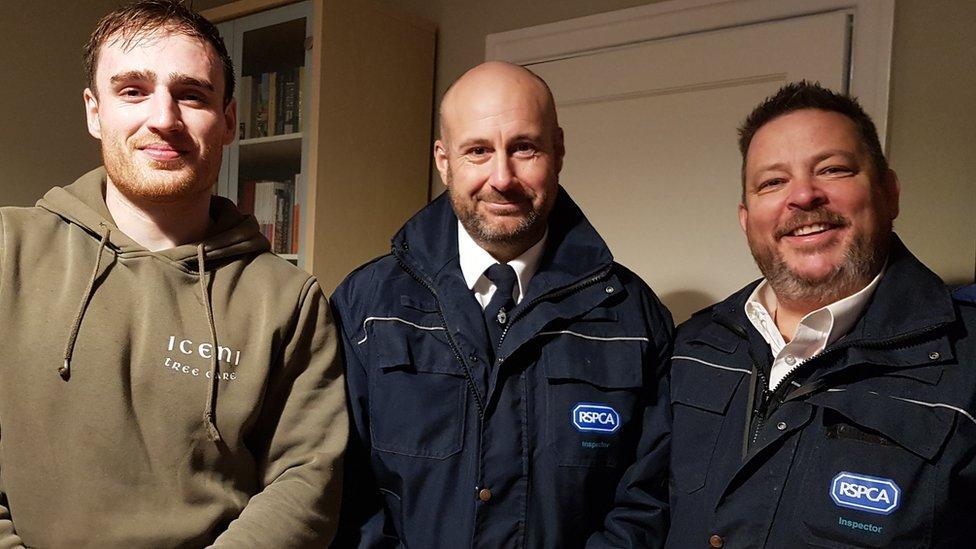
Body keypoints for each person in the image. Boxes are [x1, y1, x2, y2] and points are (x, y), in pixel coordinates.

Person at [0, 1, 346, 545]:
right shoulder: (7, 250)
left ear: (228, 120)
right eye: (133, 90)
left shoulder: (288, 299)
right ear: (94, 111)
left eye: (191, 94)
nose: (164, 117)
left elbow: (307, 481)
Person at [331, 61, 673, 548]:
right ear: (444, 160)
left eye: (524, 148)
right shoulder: (366, 305)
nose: (502, 177)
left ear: (558, 150)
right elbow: (342, 490)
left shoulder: (634, 318)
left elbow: (646, 502)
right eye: (477, 151)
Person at [667, 81, 976, 548]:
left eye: (832, 170)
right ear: (747, 219)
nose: (804, 196)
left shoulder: (967, 364)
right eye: (772, 181)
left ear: (889, 194)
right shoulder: (693, 345)